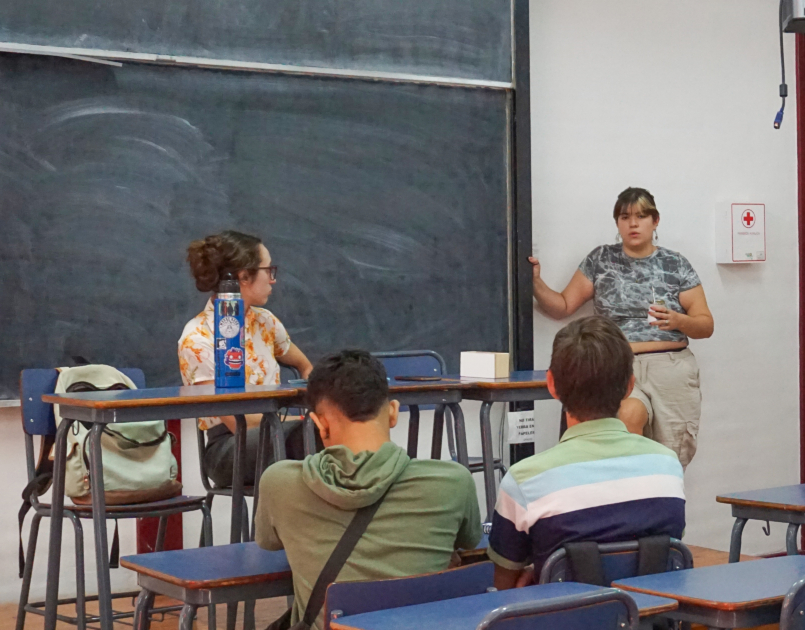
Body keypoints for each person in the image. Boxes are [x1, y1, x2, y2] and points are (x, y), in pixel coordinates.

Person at [255, 350, 482, 629]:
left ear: (319, 424)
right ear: (393, 413)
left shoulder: (279, 483)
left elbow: (268, 542)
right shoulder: (453, 483)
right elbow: (469, 540)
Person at [488, 316, 686, 588]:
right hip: (651, 611)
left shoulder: (524, 480)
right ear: (630, 386)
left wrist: (545, 570)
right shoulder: (667, 466)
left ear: (551, 384)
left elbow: (505, 586)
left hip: (565, 612)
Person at [529, 187, 713, 467]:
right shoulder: (601, 259)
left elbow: (705, 325)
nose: (633, 224)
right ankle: (627, 490)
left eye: (641, 216)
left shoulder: (675, 264)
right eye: (625, 217)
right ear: (617, 223)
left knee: (671, 456)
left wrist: (678, 320)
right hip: (618, 364)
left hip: (670, 364)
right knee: (626, 421)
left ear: (655, 221)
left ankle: (660, 492)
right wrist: (535, 282)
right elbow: (563, 305)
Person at [179, 230, 315, 487]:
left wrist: (319, 402)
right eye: (268, 270)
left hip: (277, 430)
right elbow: (241, 422)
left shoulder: (266, 322)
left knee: (334, 430)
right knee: (314, 433)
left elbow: (304, 365)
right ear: (243, 276)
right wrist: (306, 421)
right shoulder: (198, 338)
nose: (273, 280)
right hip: (230, 447)